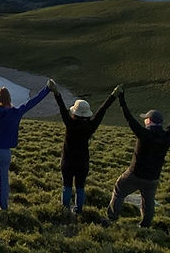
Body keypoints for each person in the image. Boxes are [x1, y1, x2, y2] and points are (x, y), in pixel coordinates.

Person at [0, 60, 51, 210]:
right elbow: (33, 102)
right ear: (9, 98)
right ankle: (2, 207)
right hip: (4, 152)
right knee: (4, 178)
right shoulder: (17, 112)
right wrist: (47, 89)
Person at [105, 87, 170, 227]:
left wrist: (122, 99)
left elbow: (129, 119)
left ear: (149, 121)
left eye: (145, 119)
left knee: (119, 189)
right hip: (153, 177)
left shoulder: (144, 134)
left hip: (135, 173)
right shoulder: (168, 136)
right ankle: (145, 224)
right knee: (148, 202)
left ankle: (112, 218)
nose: (144, 121)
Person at [51, 82, 119, 213]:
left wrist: (56, 92)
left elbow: (62, 108)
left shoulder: (70, 123)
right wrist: (113, 95)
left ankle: (64, 209)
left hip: (68, 160)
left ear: (74, 112)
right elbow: (102, 110)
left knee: (67, 186)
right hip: (82, 162)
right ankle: (78, 210)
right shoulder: (90, 126)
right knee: (80, 187)